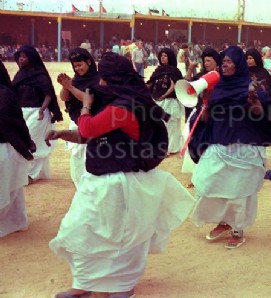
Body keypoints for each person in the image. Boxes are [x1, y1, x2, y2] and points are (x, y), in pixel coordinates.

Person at [46, 52, 195, 298]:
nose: (100, 83)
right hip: (98, 179)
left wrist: (85, 105)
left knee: (119, 238)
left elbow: (89, 126)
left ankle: (119, 286)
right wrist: (63, 134)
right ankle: (84, 283)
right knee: (83, 232)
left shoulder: (123, 107)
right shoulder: (116, 102)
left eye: (103, 78)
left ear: (112, 79)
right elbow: (88, 134)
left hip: (118, 183)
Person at [189, 45, 271, 249]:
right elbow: (206, 118)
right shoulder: (218, 87)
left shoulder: (253, 87)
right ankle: (223, 222)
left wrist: (255, 103)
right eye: (223, 62)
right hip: (219, 143)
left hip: (245, 148)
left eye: (229, 61)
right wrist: (204, 104)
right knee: (208, 183)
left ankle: (238, 230)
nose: (225, 65)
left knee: (239, 192)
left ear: (238, 64)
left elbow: (264, 115)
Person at [11, 45, 63, 183]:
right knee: (22, 141)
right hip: (22, 112)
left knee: (34, 141)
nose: (21, 59)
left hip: (37, 113)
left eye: (24, 57)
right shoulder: (20, 74)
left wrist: (41, 110)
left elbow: (48, 95)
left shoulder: (40, 75)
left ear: (31, 58)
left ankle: (33, 174)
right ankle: (23, 174)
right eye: (19, 57)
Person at [0, 60, 35, 237]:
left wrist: (24, 144)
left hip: (6, 148)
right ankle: (15, 220)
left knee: (10, 189)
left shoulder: (4, 94)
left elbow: (12, 123)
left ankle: (15, 222)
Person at [57, 48, 100, 187]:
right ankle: (79, 187)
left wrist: (71, 88)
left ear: (88, 62)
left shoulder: (98, 79)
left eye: (80, 65)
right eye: (75, 66)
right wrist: (66, 86)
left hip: (92, 125)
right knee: (76, 158)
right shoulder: (75, 80)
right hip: (76, 123)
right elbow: (64, 97)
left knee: (91, 157)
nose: (78, 68)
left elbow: (88, 99)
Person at [181, 47, 222, 188]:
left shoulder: (219, 76)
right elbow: (187, 85)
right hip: (200, 111)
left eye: (209, 61)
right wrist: (191, 69)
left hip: (213, 114)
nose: (206, 63)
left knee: (208, 145)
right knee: (194, 142)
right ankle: (196, 175)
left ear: (216, 63)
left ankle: (205, 177)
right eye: (205, 61)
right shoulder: (202, 76)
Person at [147, 48, 184, 154]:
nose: (163, 57)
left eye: (165, 56)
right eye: (161, 55)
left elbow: (174, 85)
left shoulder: (174, 71)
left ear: (170, 57)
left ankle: (170, 148)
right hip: (157, 101)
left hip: (170, 102)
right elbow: (151, 83)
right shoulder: (158, 70)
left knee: (170, 126)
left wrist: (164, 95)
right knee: (159, 126)